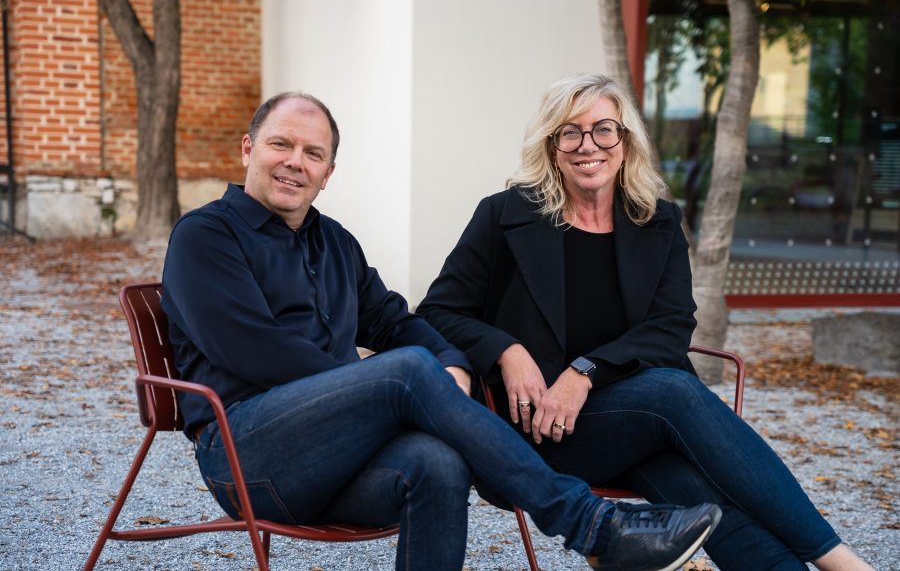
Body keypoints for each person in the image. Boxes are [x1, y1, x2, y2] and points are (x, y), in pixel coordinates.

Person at [160, 91, 722, 571]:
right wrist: (383, 382)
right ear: (248, 148)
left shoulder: (334, 242)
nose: (294, 163)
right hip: (247, 457)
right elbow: (254, 350)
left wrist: (451, 362)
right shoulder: (205, 237)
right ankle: (592, 527)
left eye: (313, 153)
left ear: (328, 172)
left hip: (340, 458)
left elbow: (397, 321)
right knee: (403, 373)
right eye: (281, 144)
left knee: (438, 462)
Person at [418, 74, 874, 571]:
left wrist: (585, 372)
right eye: (569, 132)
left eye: (603, 129)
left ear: (626, 141)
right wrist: (508, 352)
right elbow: (437, 314)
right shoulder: (505, 216)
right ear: (551, 146)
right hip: (538, 432)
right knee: (673, 391)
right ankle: (844, 563)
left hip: (637, 426)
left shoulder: (656, 221)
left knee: (708, 500)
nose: (587, 145)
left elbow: (671, 327)